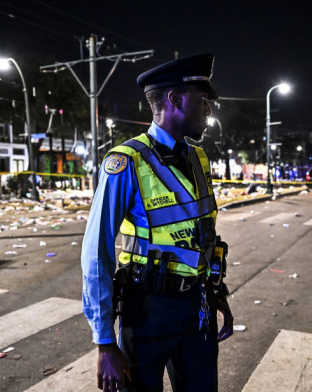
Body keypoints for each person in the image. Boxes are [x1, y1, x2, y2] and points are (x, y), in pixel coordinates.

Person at [81, 53, 234, 392]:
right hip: (148, 309)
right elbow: (96, 254)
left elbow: (202, 236)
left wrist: (216, 292)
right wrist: (105, 343)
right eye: (202, 99)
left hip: (199, 307)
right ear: (174, 99)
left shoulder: (198, 158)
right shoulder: (125, 162)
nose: (209, 109)